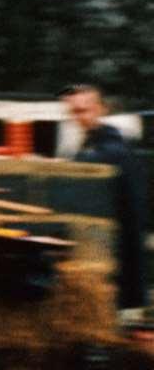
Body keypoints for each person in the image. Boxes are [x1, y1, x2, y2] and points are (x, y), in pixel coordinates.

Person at [61, 84, 148, 313]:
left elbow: (89, 168)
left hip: (119, 239)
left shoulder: (111, 148)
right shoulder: (91, 144)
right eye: (74, 112)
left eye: (84, 110)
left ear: (101, 109)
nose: (79, 117)